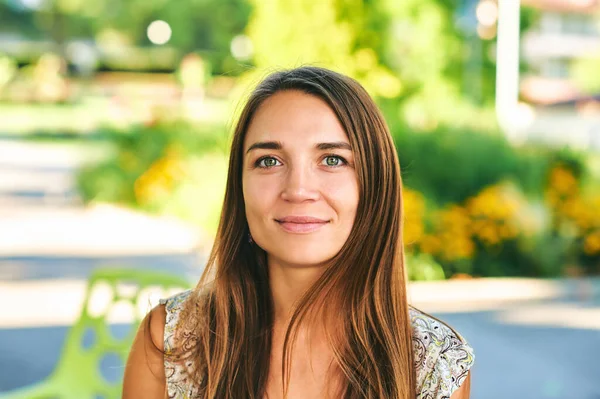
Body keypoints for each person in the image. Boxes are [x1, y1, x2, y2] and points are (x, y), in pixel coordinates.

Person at [123, 66, 474, 399]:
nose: (298, 189)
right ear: (239, 188)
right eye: (269, 161)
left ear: (375, 184)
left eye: (332, 160)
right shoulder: (174, 340)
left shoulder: (432, 363)